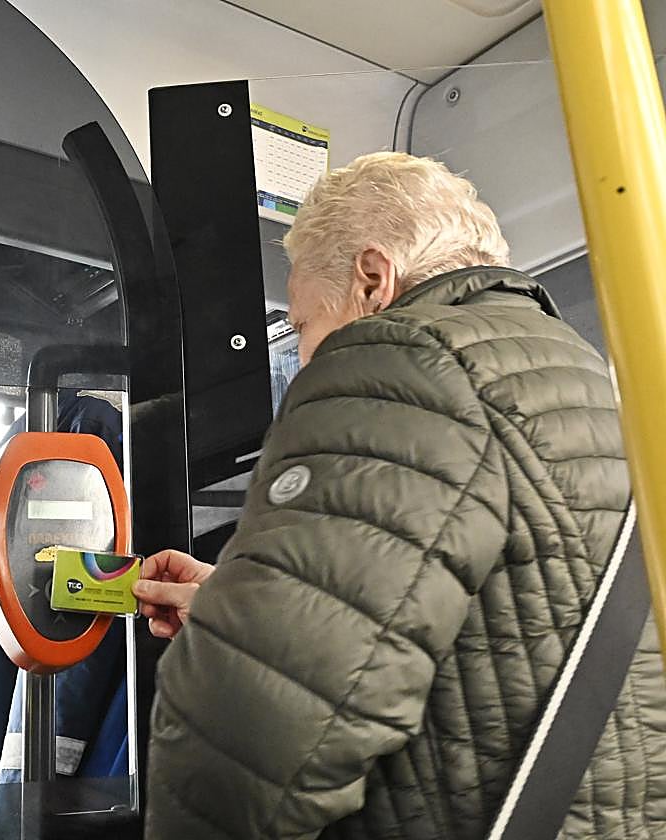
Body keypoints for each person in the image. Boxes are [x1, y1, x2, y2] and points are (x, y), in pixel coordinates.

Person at [134, 152, 666, 839]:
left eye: (300, 326)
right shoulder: (594, 381)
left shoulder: (400, 359)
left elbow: (261, 731)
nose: (301, 357)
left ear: (373, 278)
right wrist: (248, 605)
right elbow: (511, 624)